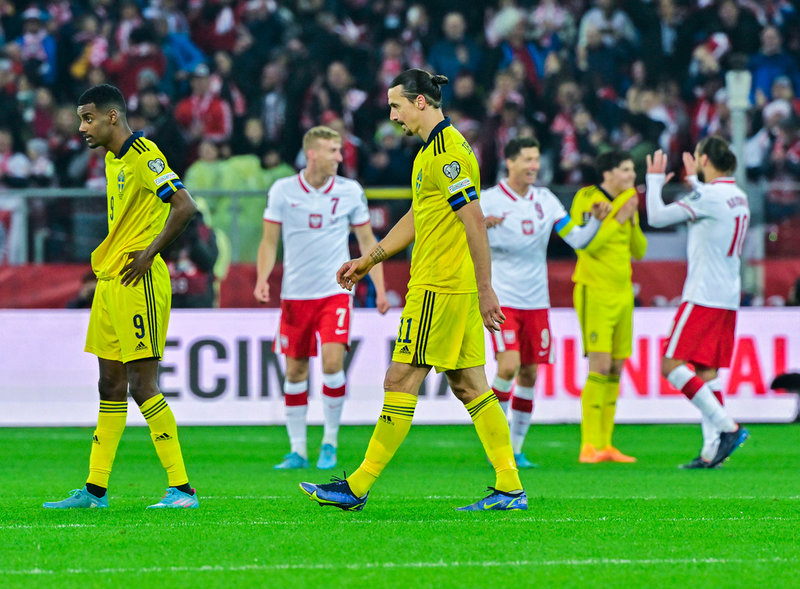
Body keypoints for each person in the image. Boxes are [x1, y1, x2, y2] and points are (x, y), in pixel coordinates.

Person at [300, 69, 527, 512]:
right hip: (448, 285)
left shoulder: (447, 154)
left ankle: (358, 486)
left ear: (420, 102)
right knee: (469, 385)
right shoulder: (431, 152)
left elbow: (474, 221)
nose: (393, 116)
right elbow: (419, 216)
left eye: (396, 106)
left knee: (399, 379)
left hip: (439, 286)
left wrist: (486, 290)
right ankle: (509, 487)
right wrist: (371, 258)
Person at [43, 84, 199, 509]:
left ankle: (182, 489)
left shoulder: (145, 155)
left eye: (88, 118)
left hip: (139, 279)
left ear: (113, 116)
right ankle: (94, 491)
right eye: (79, 119)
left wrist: (149, 254)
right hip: (111, 280)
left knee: (142, 385)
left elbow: (184, 206)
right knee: (109, 385)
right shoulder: (114, 160)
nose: (81, 128)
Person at [254, 125, 390, 471]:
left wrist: (379, 286)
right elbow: (270, 241)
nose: (340, 158)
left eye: (339, 150)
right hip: (295, 295)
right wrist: (262, 278)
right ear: (312, 153)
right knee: (296, 370)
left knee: (332, 363)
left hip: (336, 291)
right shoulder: (283, 190)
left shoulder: (349, 191)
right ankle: (297, 449)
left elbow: (366, 240)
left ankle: (329, 442)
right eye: (333, 151)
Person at [481, 136, 611, 468]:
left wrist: (595, 219)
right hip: (503, 299)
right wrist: (480, 227)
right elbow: (459, 237)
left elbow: (577, 238)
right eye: (527, 159)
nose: (533, 166)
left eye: (536, 159)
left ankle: (516, 449)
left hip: (537, 302)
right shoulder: (488, 201)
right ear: (509, 162)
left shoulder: (546, 200)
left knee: (529, 374)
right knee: (507, 366)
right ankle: (493, 441)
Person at [645, 139, 750, 468]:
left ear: (704, 159)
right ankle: (711, 454)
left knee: (670, 365)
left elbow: (657, 216)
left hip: (702, 295)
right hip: (727, 296)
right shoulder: (738, 195)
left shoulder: (709, 196)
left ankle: (728, 428)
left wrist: (653, 182)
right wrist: (694, 183)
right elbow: (709, 207)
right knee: (706, 371)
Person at [571, 150, 647, 463]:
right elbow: (588, 243)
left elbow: (639, 250)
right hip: (595, 291)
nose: (631, 176)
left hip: (623, 293)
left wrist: (631, 220)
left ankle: (607, 443)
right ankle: (589, 444)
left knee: (616, 368)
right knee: (599, 366)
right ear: (609, 173)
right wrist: (618, 217)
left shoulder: (628, 201)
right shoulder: (587, 198)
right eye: (626, 170)